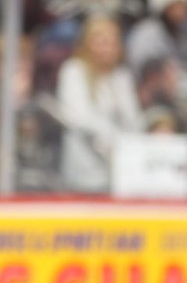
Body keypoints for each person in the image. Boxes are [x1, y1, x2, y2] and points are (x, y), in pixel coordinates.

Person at [55, 15, 145, 194]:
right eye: (101, 41)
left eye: (112, 42)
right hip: (84, 173)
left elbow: (134, 120)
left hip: (122, 173)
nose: (107, 48)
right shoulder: (73, 71)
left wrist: (133, 148)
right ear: (87, 43)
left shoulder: (122, 77)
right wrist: (112, 144)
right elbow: (78, 117)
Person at [126, 0, 187, 91]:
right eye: (177, 6)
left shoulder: (185, 37)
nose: (183, 12)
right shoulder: (145, 34)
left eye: (186, 6)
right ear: (164, 6)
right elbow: (141, 75)